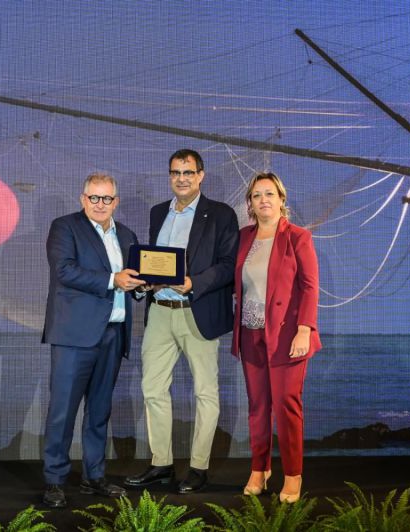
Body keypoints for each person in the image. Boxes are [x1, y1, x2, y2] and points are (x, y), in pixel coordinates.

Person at [125, 149, 239, 494]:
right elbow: (155, 261)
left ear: (201, 175)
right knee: (152, 389)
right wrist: (145, 282)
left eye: (188, 172)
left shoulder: (221, 214)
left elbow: (229, 265)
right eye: (176, 172)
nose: (182, 179)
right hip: (159, 311)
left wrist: (194, 283)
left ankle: (199, 467)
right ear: (170, 176)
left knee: (205, 392)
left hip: (197, 310)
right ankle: (161, 463)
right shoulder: (158, 211)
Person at [41, 172, 146, 508]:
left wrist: (144, 286)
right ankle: (55, 480)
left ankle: (94, 476)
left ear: (116, 202)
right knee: (62, 411)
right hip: (74, 335)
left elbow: (133, 280)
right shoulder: (65, 227)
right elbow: (64, 270)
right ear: (82, 199)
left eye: (107, 198)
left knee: (100, 411)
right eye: (94, 197)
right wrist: (114, 279)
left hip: (113, 334)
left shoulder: (127, 235)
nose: (100, 204)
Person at [232, 172, 321, 503]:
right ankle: (260, 468)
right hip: (249, 332)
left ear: (281, 199)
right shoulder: (243, 237)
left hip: (287, 335)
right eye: (257, 195)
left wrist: (304, 329)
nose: (263, 200)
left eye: (269, 193)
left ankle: (293, 475)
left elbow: (310, 287)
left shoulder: (298, 237)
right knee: (258, 407)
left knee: (286, 406)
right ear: (250, 203)